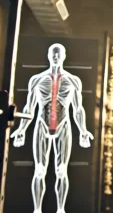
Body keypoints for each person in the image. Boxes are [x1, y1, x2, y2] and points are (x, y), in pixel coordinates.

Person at [11, 43, 94, 213]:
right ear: (48, 55)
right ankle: (37, 209)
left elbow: (78, 109)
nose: (56, 57)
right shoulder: (36, 80)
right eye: (53, 54)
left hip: (64, 126)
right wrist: (22, 129)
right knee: (39, 169)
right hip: (42, 124)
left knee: (62, 170)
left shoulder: (73, 81)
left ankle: (61, 209)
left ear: (64, 56)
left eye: (59, 54)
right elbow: (29, 108)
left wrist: (83, 131)